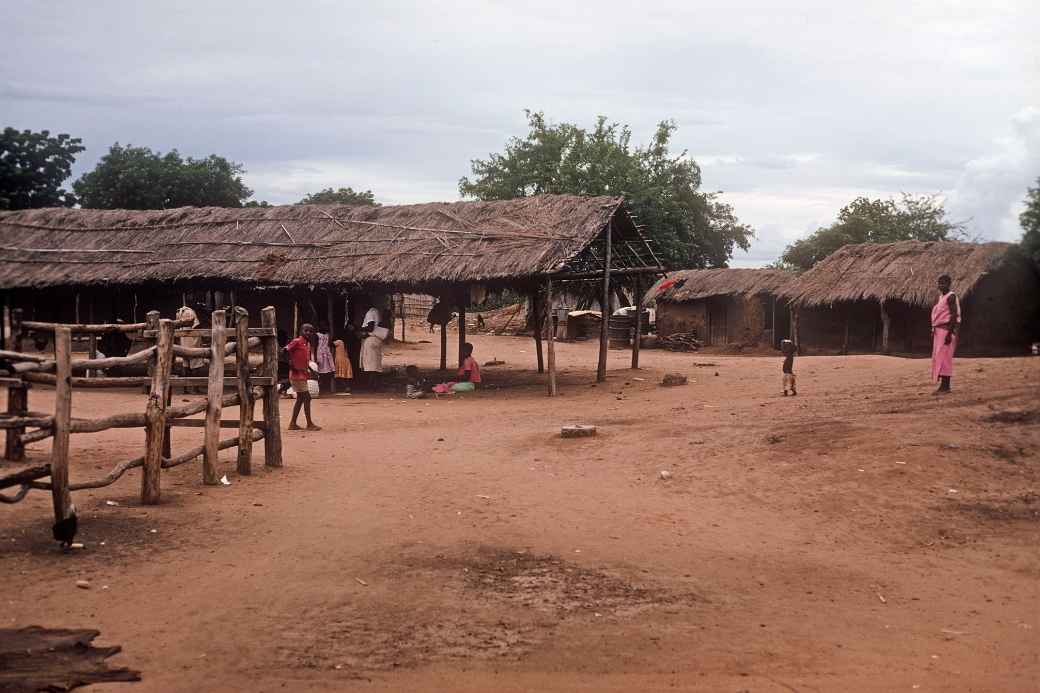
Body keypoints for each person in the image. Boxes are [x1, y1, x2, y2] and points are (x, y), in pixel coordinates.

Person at [284, 323, 321, 430]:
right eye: (306, 330)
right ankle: (309, 424)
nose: (308, 333)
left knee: (300, 399)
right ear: (301, 331)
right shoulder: (297, 342)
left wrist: (311, 370)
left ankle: (293, 423)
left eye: (310, 331)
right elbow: (284, 351)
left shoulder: (306, 344)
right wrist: (291, 364)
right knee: (307, 397)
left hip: (302, 374)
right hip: (296, 375)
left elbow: (304, 360)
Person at [931, 274, 960, 394]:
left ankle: (945, 386)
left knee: (945, 358)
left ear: (949, 284)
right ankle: (943, 385)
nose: (940, 285)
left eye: (943, 283)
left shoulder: (951, 297)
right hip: (940, 331)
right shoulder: (941, 297)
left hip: (947, 330)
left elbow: (954, 315)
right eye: (939, 283)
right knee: (939, 357)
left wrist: (949, 333)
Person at [359, 303, 386, 389]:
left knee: (370, 364)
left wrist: (359, 329)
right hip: (376, 340)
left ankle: (371, 385)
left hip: (371, 339)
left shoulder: (369, 313)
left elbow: (370, 327)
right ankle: (376, 384)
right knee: (376, 363)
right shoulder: (376, 311)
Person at [315, 322, 336, 395]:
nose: (325, 328)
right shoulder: (317, 335)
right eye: (323, 326)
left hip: (327, 355)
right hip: (320, 354)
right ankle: (319, 388)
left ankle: (326, 388)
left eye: (326, 326)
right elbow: (315, 346)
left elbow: (330, 344)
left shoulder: (328, 335)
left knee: (329, 372)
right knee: (319, 372)